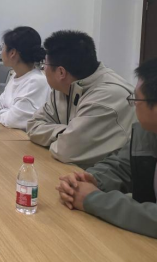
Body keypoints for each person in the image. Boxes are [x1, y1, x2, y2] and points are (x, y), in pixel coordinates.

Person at [56, 58, 157, 240]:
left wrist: (93, 199)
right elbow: (121, 166)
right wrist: (90, 180)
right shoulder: (150, 133)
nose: (133, 104)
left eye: (136, 99)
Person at [26, 31, 135, 169]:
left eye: (44, 64)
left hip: (108, 178)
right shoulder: (64, 88)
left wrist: (66, 138)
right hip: (77, 171)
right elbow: (33, 125)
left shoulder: (107, 97)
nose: (43, 69)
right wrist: (66, 133)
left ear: (61, 72)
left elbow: (66, 151)